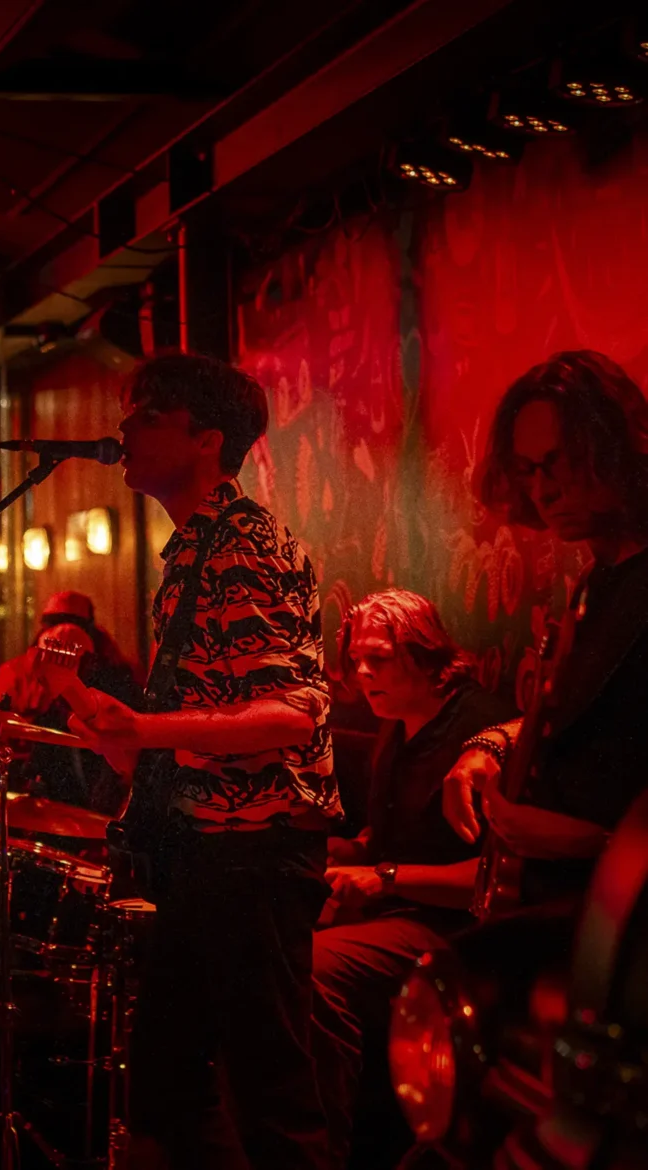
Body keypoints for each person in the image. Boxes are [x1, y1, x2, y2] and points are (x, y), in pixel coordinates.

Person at [67, 352, 338, 1170]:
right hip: (210, 843)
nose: (124, 429)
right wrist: (132, 742)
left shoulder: (242, 545)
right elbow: (214, 712)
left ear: (207, 438)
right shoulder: (194, 547)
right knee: (169, 1085)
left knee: (270, 1096)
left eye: (148, 415)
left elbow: (291, 713)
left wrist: (145, 729)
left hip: (257, 849)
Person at [312, 590, 513, 1169]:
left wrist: (385, 877)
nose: (362, 672)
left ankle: (328, 1152)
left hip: (457, 929)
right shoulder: (397, 722)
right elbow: (395, 835)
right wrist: (352, 849)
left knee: (315, 965)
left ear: (427, 656)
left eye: (378, 658)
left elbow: (494, 876)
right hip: (399, 911)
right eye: (356, 659)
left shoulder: (478, 732)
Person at [442, 350, 648, 903]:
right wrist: (489, 747)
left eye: (561, 463)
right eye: (528, 470)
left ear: (615, 449)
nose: (543, 490)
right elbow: (573, 717)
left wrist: (595, 844)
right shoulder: (594, 584)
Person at [0, 592, 142, 813]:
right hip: (35, 785)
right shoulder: (17, 671)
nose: (64, 631)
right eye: (56, 622)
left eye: (73, 623)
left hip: (96, 787)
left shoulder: (115, 674)